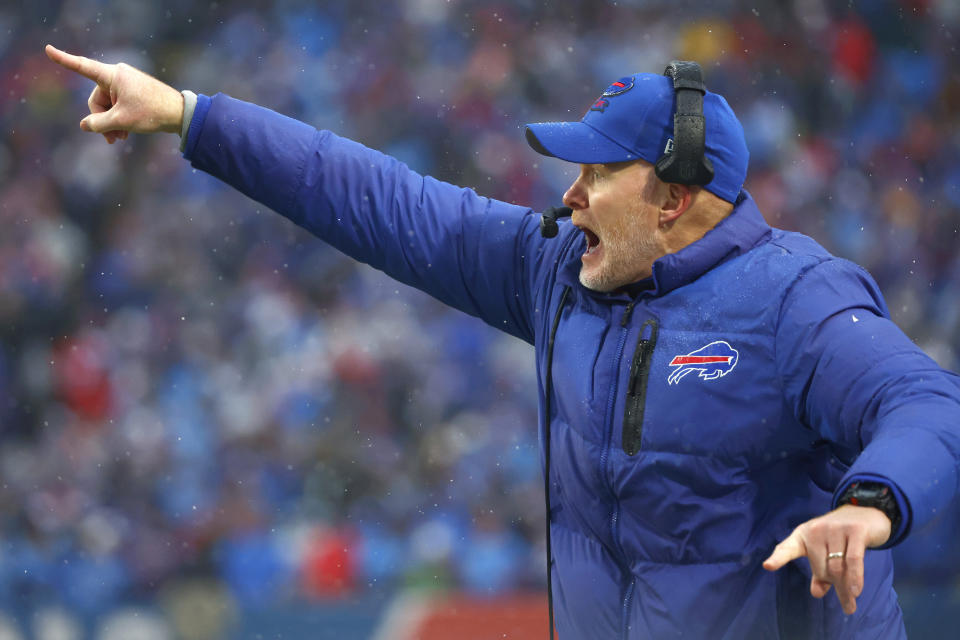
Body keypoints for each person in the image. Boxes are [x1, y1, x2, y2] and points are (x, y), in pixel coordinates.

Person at [44, 44, 960, 639]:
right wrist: (191, 116)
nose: (569, 195)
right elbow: (378, 200)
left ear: (675, 199)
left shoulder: (795, 299)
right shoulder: (559, 273)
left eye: (599, 172)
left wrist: (872, 503)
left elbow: (926, 402)